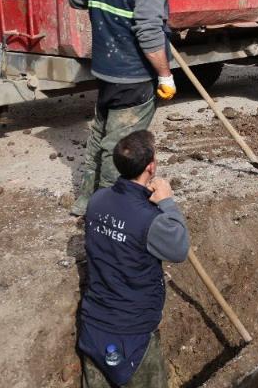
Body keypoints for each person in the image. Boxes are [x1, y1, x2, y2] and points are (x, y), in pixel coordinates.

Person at [68, 0, 175, 217]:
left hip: (105, 71)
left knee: (100, 135)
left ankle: (85, 199)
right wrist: (165, 76)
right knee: (123, 146)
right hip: (133, 77)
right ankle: (107, 212)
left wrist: (111, 7)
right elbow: (149, 33)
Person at [78, 130, 189, 388]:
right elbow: (179, 249)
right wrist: (168, 203)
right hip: (133, 336)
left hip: (94, 327)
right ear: (151, 167)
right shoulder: (150, 219)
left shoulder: (97, 201)